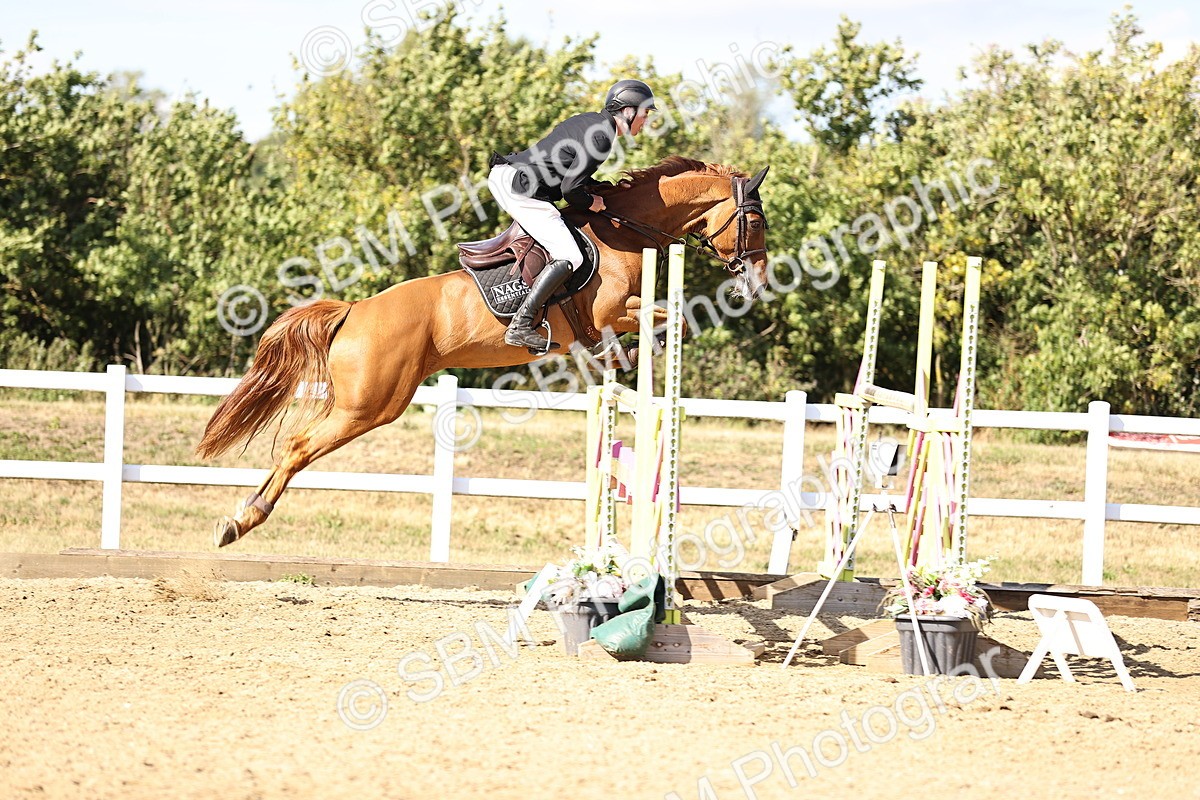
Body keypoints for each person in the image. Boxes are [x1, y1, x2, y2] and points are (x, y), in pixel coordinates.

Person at [488, 79, 656, 350]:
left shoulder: (591, 122)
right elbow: (571, 190)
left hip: (510, 175)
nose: (645, 121)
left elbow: (570, 175)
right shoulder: (602, 137)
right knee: (571, 255)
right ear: (628, 111)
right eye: (644, 113)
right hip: (518, 185)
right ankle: (521, 324)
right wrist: (593, 203)